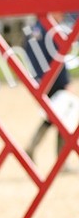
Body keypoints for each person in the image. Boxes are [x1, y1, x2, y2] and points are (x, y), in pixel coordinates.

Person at [23, 16, 76, 161]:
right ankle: (60, 157)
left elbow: (27, 56)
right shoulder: (52, 29)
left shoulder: (31, 30)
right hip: (55, 79)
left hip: (39, 80)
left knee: (53, 116)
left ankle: (33, 147)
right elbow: (59, 57)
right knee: (63, 116)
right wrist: (65, 82)